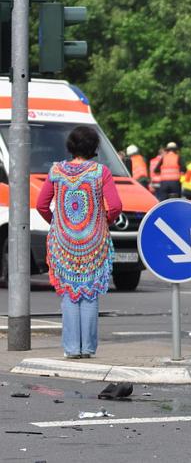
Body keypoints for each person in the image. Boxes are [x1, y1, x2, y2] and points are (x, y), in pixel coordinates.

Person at [36, 126, 123, 359]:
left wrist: (57, 222)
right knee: (89, 292)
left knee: (69, 292)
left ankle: (72, 348)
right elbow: (115, 206)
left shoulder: (56, 171)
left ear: (70, 147)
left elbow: (41, 205)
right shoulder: (100, 172)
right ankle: (88, 349)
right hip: (93, 242)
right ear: (94, 147)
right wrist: (103, 221)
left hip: (62, 242)